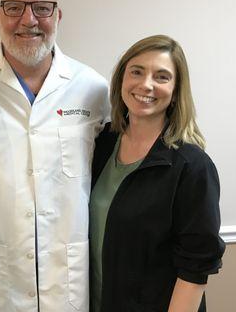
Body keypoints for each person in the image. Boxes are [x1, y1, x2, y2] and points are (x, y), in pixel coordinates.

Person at [0, 0, 110, 311]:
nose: (28, 20)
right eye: (14, 8)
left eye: (41, 8)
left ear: (58, 15)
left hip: (67, 285)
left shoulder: (92, 88)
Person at [90, 35, 225, 312]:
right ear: (121, 80)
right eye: (137, 72)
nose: (146, 84)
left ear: (176, 91)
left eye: (162, 77)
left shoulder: (192, 166)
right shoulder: (102, 144)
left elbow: (196, 267)